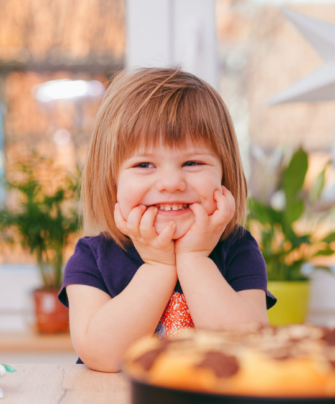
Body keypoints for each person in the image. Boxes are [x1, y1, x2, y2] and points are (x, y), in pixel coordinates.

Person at [57, 67, 276, 373]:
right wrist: (158, 266)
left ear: (224, 175)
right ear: (111, 182)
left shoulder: (238, 249)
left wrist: (195, 260)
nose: (171, 182)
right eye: (144, 164)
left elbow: (247, 352)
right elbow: (102, 356)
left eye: (193, 162)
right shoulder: (92, 257)